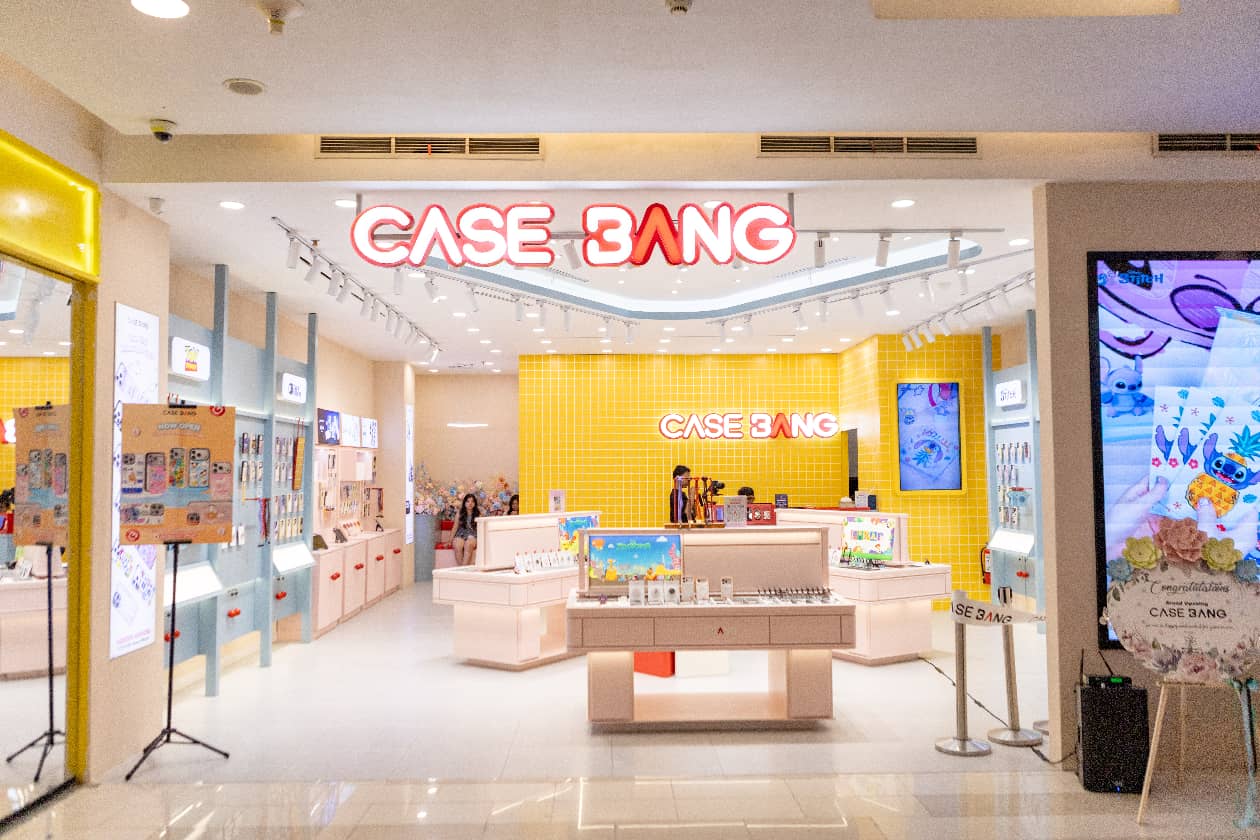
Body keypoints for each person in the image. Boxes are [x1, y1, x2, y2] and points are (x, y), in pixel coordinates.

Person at [452, 493, 480, 565]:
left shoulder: (478, 514)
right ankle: (462, 569)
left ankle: (462, 569)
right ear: (464, 503)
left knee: (468, 544)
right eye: (468, 501)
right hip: (461, 534)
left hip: (473, 535)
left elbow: (480, 529)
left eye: (472, 501)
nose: (470, 503)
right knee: (457, 545)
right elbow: (455, 527)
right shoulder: (460, 513)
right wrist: (449, 540)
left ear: (475, 503)